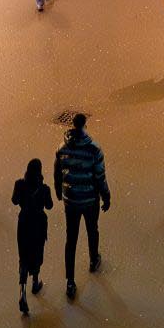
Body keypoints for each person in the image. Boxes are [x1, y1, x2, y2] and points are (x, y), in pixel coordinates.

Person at [53, 111, 110, 302]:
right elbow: (100, 176)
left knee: (71, 238)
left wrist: (59, 192)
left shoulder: (62, 148)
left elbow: (57, 172)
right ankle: (94, 259)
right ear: (85, 125)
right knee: (92, 229)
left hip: (71, 199)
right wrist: (106, 196)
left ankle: (70, 281)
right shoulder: (94, 150)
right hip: (89, 198)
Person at [13, 159, 54, 316]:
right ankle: (35, 283)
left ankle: (22, 292)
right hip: (38, 224)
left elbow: (14, 200)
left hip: (23, 224)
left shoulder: (19, 184)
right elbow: (49, 206)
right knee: (37, 253)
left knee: (23, 257)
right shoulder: (44, 189)